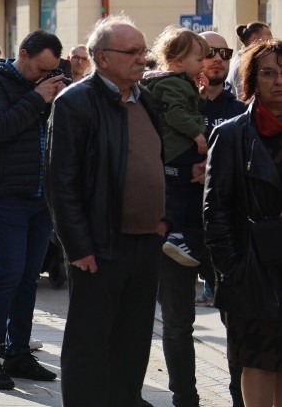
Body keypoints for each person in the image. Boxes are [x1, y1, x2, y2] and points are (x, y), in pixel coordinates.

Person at [47, 14, 168, 406]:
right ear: (101, 58)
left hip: (145, 242)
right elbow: (61, 182)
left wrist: (162, 222)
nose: (142, 58)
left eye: (143, 50)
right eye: (131, 52)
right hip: (99, 247)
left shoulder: (146, 100)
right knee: (90, 343)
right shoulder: (75, 103)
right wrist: (78, 246)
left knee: (133, 342)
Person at [156, 30, 246, 407]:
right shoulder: (167, 95)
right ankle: (185, 398)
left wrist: (215, 167)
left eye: (224, 53)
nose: (217, 59)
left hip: (225, 230)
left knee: (239, 321)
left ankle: (241, 396)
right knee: (177, 323)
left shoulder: (240, 109)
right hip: (175, 229)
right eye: (208, 53)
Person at [0, 30, 65, 389]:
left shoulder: (42, 83)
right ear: (23, 55)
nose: (43, 77)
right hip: (7, 195)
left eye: (50, 72)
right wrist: (38, 98)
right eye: (39, 69)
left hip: (41, 198)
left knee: (29, 279)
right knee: (7, 276)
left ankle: (17, 352)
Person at [205, 38, 282, 407]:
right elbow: (215, 212)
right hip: (252, 270)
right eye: (268, 72)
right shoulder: (232, 134)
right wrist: (233, 272)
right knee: (257, 362)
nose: (278, 81)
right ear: (252, 78)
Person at [142, 27, 209, 267]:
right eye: (199, 59)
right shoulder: (173, 84)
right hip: (176, 150)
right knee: (178, 193)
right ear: (179, 60)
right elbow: (176, 113)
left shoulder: (179, 82)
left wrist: (199, 94)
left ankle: (180, 234)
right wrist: (197, 134)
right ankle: (175, 234)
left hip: (176, 150)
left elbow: (185, 106)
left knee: (184, 192)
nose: (204, 64)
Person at [227, 21, 272, 98]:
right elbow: (244, 100)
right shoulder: (243, 64)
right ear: (255, 39)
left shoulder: (238, 58)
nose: (271, 43)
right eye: (268, 38)